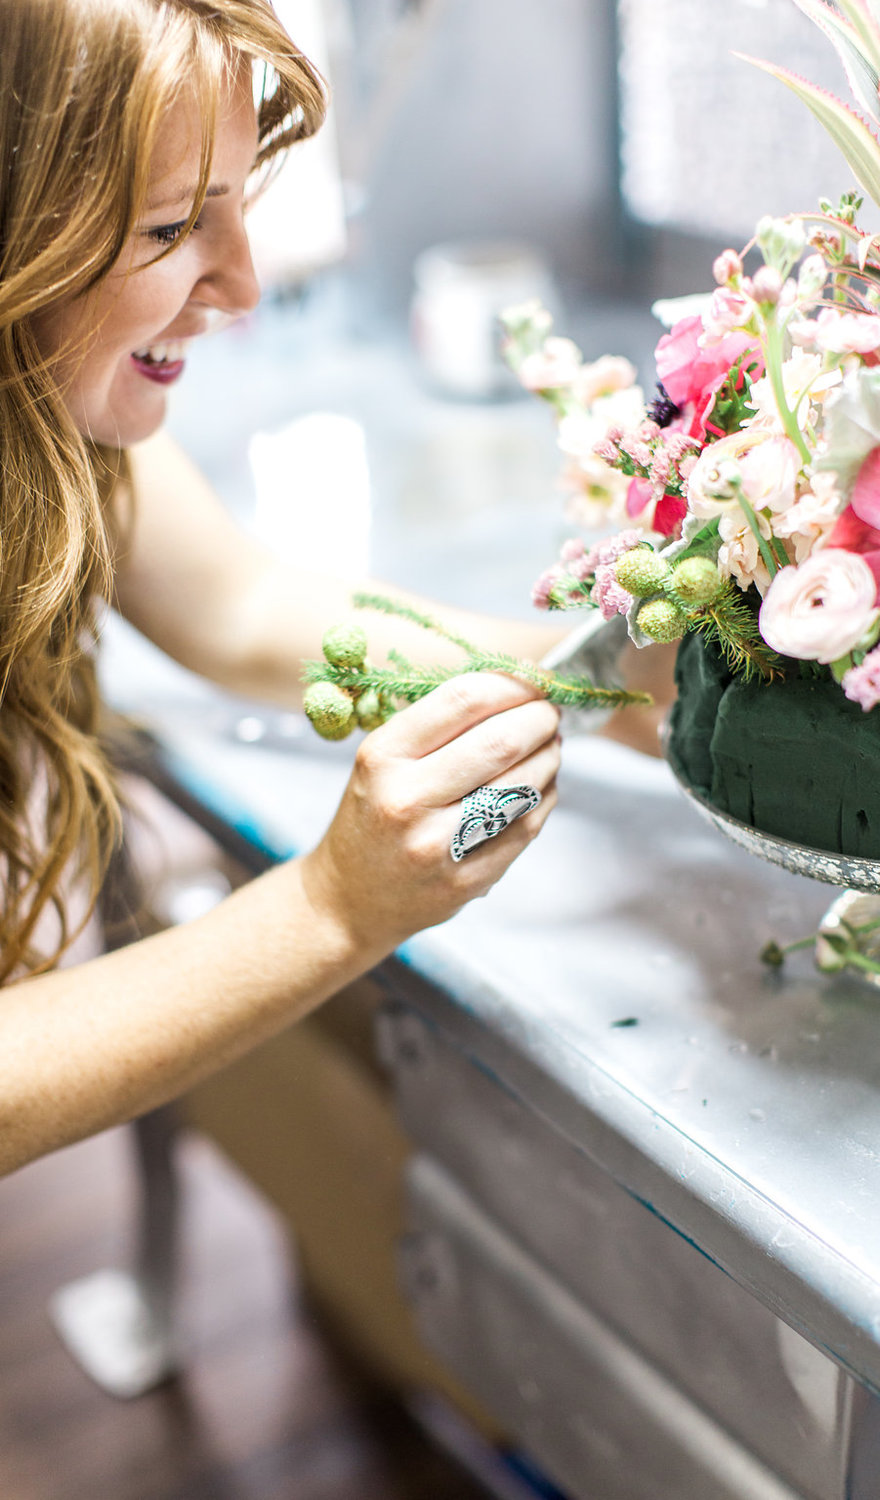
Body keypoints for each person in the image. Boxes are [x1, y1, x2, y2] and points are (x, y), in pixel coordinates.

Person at [0, 0, 577, 1178]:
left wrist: (602, 682)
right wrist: (333, 907)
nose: (244, 284)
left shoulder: (56, 415)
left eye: (238, 207)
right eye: (171, 226)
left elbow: (238, 606)